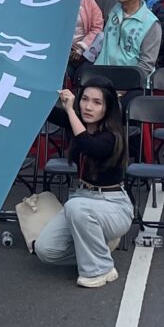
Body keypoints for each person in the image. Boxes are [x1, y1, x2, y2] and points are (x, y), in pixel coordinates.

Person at [32, 80, 133, 287]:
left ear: (108, 107)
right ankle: (98, 247)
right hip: (82, 198)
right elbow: (46, 111)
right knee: (45, 250)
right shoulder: (77, 123)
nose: (88, 107)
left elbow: (90, 146)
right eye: (84, 99)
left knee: (75, 207)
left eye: (97, 102)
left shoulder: (113, 136)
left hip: (113, 205)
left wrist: (70, 111)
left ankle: (101, 269)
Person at [89, 0, 160, 86]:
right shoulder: (111, 6)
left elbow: (146, 64)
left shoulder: (151, 23)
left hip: (133, 85)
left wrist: (125, 86)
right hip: (103, 79)